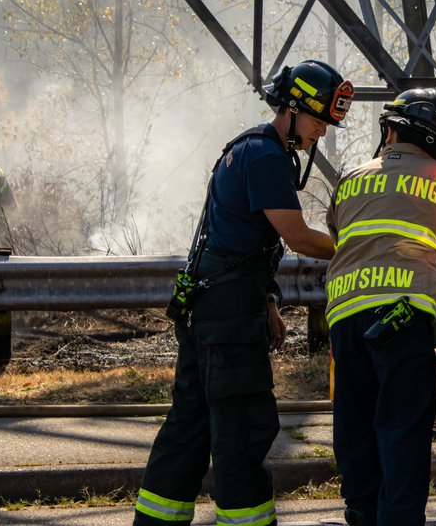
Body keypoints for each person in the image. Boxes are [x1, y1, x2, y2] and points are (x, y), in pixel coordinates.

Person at [133, 59, 355, 526]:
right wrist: (365, 249)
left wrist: (269, 299)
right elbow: (298, 237)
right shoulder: (266, 156)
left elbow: (241, 237)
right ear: (292, 110)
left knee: (189, 427)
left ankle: (156, 522)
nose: (322, 132)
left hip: (212, 309)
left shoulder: (247, 149)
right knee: (242, 428)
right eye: (319, 121)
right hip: (229, 318)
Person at [325, 89, 436, 526]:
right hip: (402, 319)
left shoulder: (351, 177)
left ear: (391, 130)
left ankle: (361, 511)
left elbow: (340, 235)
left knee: (354, 420)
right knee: (401, 426)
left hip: (344, 319)